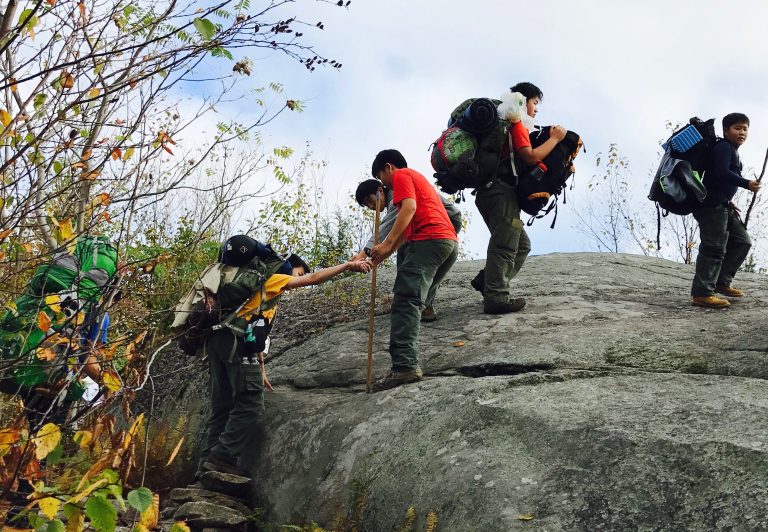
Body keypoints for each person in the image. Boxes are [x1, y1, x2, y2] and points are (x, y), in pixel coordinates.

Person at [198, 238, 372, 477]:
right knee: (251, 404)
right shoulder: (274, 279)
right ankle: (222, 455)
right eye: (297, 272)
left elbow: (257, 331)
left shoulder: (253, 288)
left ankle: (205, 464)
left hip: (218, 340)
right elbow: (311, 279)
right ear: (289, 267)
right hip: (235, 342)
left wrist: (261, 369)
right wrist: (346, 266)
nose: (297, 278)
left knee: (223, 406)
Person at [473, 82, 566, 314]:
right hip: (499, 191)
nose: (536, 109)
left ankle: (488, 281)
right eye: (535, 103)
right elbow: (530, 156)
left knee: (521, 244)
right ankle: (496, 297)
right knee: (504, 243)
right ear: (524, 101)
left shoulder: (508, 119)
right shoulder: (515, 120)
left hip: (494, 193)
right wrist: (555, 139)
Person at [368, 150, 458, 391]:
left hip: (429, 240)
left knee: (406, 300)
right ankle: (406, 360)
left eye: (380, 176)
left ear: (388, 167)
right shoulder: (420, 180)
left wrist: (385, 244)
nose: (383, 183)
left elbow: (407, 208)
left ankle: (404, 366)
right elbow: (406, 229)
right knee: (414, 299)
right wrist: (384, 252)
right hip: (447, 243)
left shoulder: (401, 176)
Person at [353, 178, 463, 322]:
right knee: (408, 253)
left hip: (446, 221)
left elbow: (384, 228)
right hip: (444, 223)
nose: (370, 206)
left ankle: (409, 302)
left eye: (369, 200)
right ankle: (422, 306)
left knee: (407, 254)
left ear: (380, 191)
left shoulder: (396, 196)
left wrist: (363, 253)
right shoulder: (398, 194)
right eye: (366, 205)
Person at [690, 113, 761, 308]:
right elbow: (721, 172)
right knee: (714, 247)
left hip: (722, 205)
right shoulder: (723, 147)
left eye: (745, 129)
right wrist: (747, 183)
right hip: (710, 207)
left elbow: (716, 178)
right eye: (737, 128)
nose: (742, 132)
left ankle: (722, 281)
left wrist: (728, 201)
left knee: (742, 241)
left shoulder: (732, 150)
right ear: (725, 131)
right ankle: (702, 293)